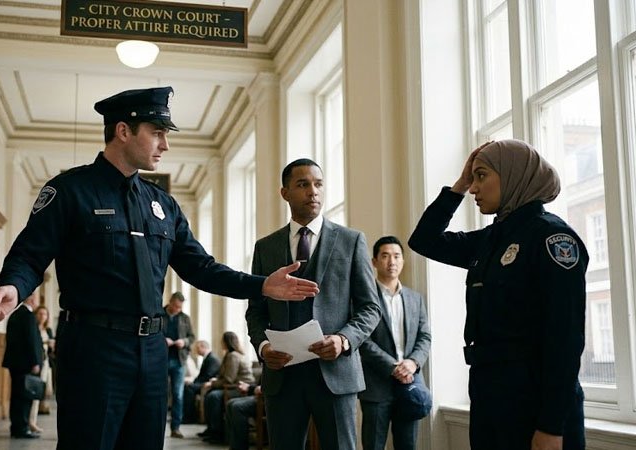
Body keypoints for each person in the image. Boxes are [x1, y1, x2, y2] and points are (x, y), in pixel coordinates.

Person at [0, 86, 319, 450]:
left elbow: (201, 268)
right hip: (92, 349)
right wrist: (13, 287)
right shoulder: (70, 191)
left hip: (151, 352)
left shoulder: (162, 204)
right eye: (157, 133)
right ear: (123, 131)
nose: (165, 145)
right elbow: (29, 255)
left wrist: (261, 286)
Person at [408, 139, 587, 450]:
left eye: (482, 176)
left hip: (534, 404)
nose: (475, 189)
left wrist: (551, 426)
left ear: (514, 175)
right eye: (473, 179)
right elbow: (424, 240)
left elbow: (565, 341)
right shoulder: (492, 238)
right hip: (491, 396)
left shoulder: (551, 238)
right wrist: (459, 184)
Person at [245, 158, 382, 450]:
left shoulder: (351, 240)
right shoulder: (265, 247)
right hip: (283, 376)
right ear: (285, 193)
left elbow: (371, 308)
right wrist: (263, 348)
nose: (313, 192)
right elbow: (255, 311)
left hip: (335, 373)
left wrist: (344, 340)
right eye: (303, 184)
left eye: (318, 184)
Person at [358, 236, 431, 450]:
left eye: (397, 256)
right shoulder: (363, 297)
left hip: (410, 385)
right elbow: (363, 339)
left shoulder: (415, 298)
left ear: (403, 261)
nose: (392, 261)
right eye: (385, 256)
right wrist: (393, 366)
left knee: (407, 445)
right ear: (374, 261)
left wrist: (413, 363)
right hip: (376, 386)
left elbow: (424, 336)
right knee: (373, 445)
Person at [198, 331, 255, 444]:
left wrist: (213, 384)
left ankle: (218, 433)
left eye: (222, 341)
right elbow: (224, 376)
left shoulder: (233, 356)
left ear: (226, 342)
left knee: (213, 396)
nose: (220, 343)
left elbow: (229, 379)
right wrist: (214, 381)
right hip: (232, 386)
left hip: (240, 388)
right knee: (210, 394)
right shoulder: (229, 354)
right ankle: (212, 430)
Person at [2, 293, 43, 439]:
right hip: (26, 364)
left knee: (17, 396)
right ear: (32, 299)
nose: (38, 301)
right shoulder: (28, 316)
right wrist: (35, 362)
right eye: (37, 299)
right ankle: (22, 429)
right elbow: (31, 341)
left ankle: (16, 427)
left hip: (16, 363)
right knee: (25, 397)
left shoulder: (15, 314)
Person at [161, 291, 195, 438]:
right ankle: (159, 427)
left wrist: (184, 342)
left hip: (179, 361)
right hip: (160, 360)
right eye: (175, 306)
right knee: (160, 394)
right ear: (170, 302)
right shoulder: (158, 314)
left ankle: (175, 428)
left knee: (178, 395)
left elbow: (191, 337)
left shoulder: (185, 318)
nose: (177, 309)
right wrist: (162, 340)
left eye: (180, 307)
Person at [28, 305, 54, 433]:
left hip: (45, 362)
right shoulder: (33, 328)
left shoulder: (48, 330)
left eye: (45, 314)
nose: (42, 316)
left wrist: (52, 345)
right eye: (40, 314)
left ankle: (34, 420)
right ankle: (30, 421)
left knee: (41, 392)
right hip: (35, 362)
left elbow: (51, 351)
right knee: (32, 393)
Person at [183, 340, 221, 424]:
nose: (196, 350)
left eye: (198, 348)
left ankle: (189, 417)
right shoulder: (208, 357)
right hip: (203, 382)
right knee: (187, 386)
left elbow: (208, 375)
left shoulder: (212, 358)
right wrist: (193, 382)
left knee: (189, 388)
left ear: (203, 347)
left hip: (208, 383)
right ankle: (186, 415)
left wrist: (194, 384)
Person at [225, 380, 261, 450]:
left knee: (237, 407)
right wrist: (250, 387)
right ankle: (233, 445)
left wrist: (250, 387)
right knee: (230, 403)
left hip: (266, 398)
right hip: (259, 394)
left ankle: (240, 447)